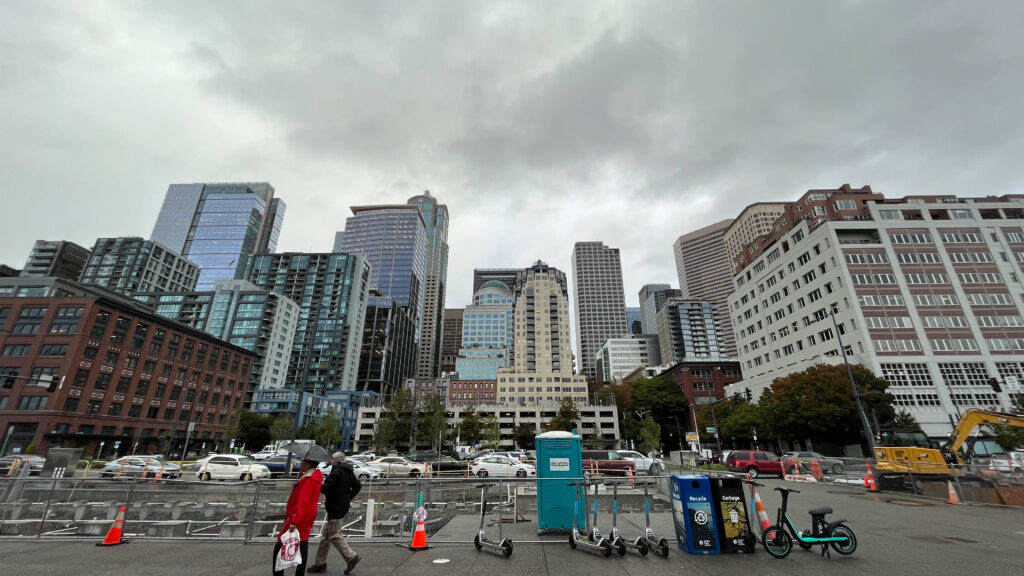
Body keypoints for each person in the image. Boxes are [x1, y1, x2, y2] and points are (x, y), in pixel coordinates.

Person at [308, 452, 362, 574]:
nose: (331, 461)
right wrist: (348, 497)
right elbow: (358, 485)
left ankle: (351, 556)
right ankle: (320, 563)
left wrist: (316, 482)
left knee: (334, 535)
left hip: (334, 507)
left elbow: (325, 489)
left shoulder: (336, 472)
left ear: (335, 461)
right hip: (342, 506)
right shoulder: (348, 471)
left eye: (332, 459)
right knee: (326, 537)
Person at [273, 458, 323, 576]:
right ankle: (299, 573)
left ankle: (278, 573)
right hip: (307, 516)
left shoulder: (308, 480)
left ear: (307, 465)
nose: (300, 465)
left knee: (280, 544)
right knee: (302, 544)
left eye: (303, 463)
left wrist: (295, 521)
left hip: (298, 517)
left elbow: (302, 502)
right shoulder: (315, 477)